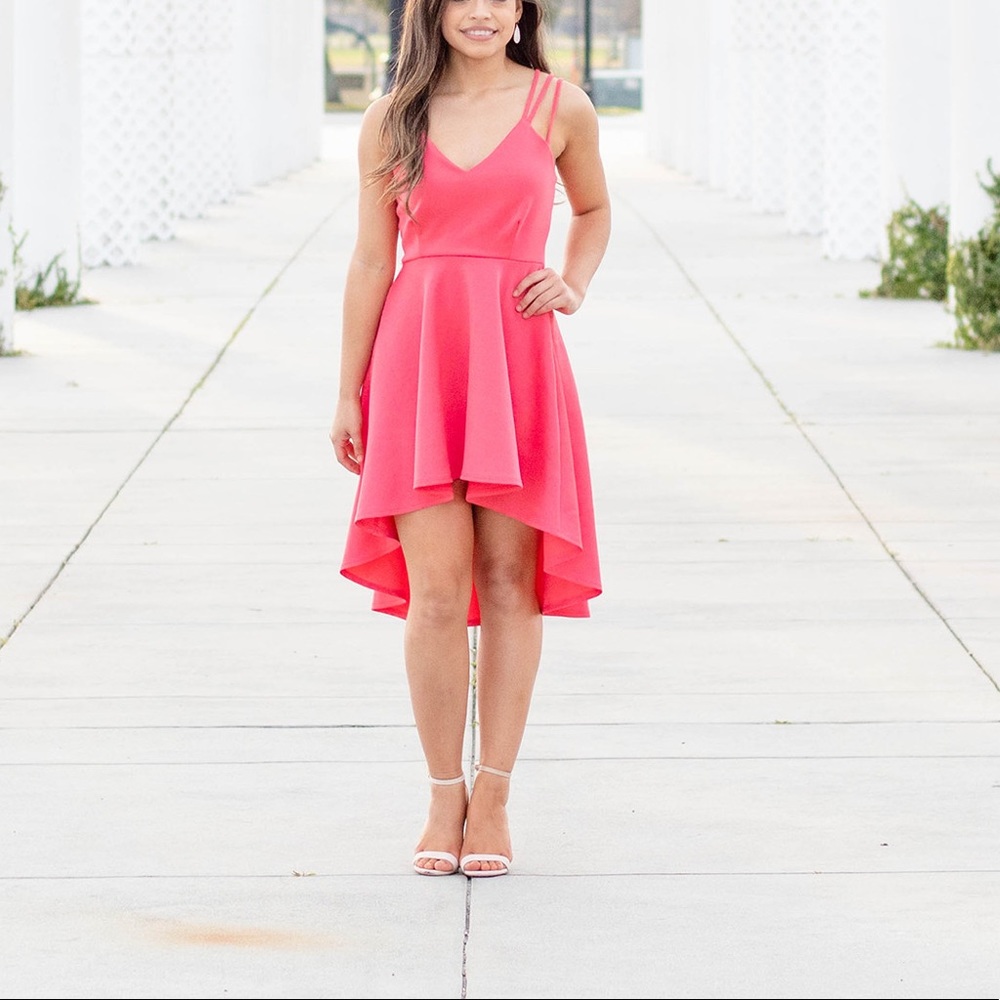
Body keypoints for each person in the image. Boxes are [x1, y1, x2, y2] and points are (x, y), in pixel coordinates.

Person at [330, 0, 610, 878]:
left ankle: (494, 796)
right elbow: (372, 259)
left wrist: (572, 282)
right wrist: (348, 391)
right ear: (432, 9)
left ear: (521, 9)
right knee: (437, 592)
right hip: (419, 360)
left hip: (517, 359)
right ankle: (442, 794)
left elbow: (593, 209)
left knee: (510, 581)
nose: (482, 11)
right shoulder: (393, 117)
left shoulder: (561, 106)